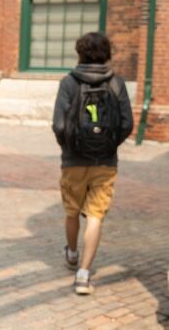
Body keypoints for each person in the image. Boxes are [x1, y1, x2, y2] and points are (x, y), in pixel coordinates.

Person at [52, 32, 133, 295]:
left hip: (73, 160)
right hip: (105, 161)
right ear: (107, 53)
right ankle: (84, 276)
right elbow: (126, 124)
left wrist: (69, 146)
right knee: (96, 215)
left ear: (80, 53)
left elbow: (59, 124)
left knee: (72, 210)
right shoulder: (117, 84)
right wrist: (109, 145)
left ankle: (72, 253)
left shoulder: (68, 83)